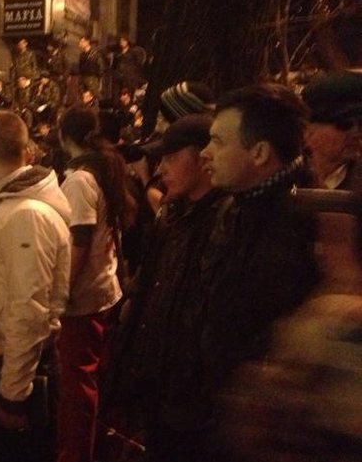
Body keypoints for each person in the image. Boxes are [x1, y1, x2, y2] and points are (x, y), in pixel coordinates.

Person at [144, 83, 318, 461]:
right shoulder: (234, 211)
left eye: (218, 142)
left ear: (259, 153)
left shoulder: (304, 227)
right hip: (202, 417)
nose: (206, 153)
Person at [98, 115, 225, 458]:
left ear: (204, 157)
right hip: (156, 383)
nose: (161, 168)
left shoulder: (224, 222)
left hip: (189, 397)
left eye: (171, 157)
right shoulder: (171, 215)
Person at [0, 111, 72, 462]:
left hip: (6, 373)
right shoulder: (12, 203)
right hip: (0, 367)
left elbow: (28, 311)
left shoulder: (26, 214)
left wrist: (12, 398)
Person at [57, 106, 137, 462]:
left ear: (63, 136)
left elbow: (80, 240)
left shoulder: (79, 180)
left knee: (77, 387)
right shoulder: (103, 170)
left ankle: (76, 454)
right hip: (104, 288)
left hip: (83, 297)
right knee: (94, 378)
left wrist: (61, 292)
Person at [301, 70, 362, 191]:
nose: (357, 133)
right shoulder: (285, 176)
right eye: (344, 124)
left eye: (361, 124)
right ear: (307, 130)